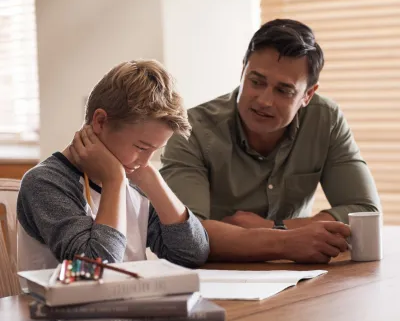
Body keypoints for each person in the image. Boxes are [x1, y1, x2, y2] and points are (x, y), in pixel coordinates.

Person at [160, 18, 380, 263]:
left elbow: (366, 213)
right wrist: (285, 240)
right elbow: (185, 234)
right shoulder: (192, 129)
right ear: (242, 70)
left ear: (308, 95)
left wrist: (275, 226)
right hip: (218, 277)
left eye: (283, 90)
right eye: (256, 82)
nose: (264, 100)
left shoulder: (325, 119)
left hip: (302, 278)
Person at [17, 60, 209, 271]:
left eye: (155, 150)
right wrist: (114, 180)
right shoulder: (46, 183)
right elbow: (95, 268)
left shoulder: (136, 178)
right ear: (100, 121)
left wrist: (152, 181)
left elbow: (192, 254)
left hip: (132, 303)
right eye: (141, 147)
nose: (145, 162)